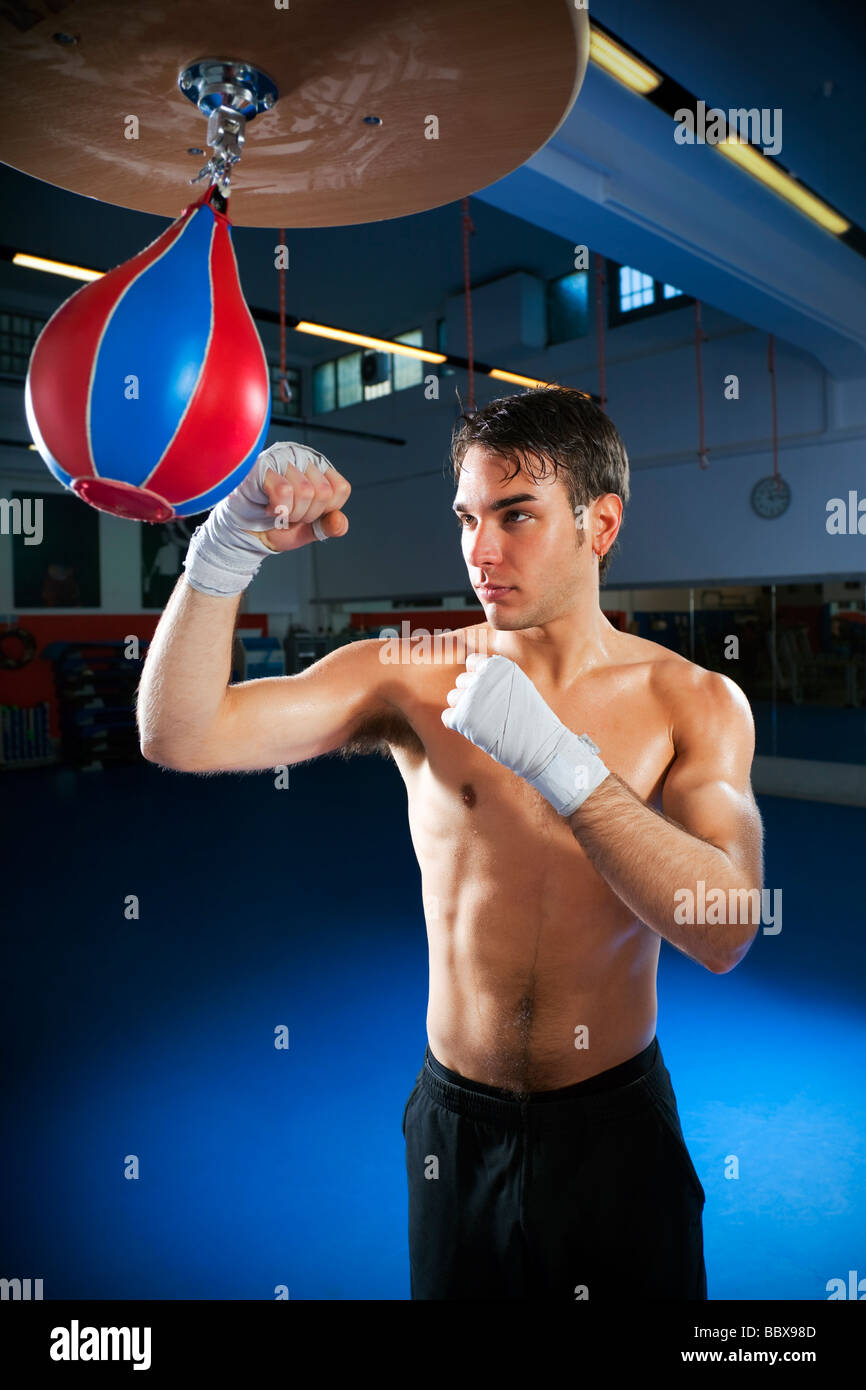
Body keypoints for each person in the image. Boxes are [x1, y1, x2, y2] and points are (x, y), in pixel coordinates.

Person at [136, 390, 764, 1300]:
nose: (481, 550)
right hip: (455, 1125)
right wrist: (224, 549)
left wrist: (561, 763)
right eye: (468, 518)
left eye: (516, 515)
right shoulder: (412, 675)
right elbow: (180, 734)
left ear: (602, 523)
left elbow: (728, 927)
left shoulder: (693, 701)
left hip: (614, 1124)